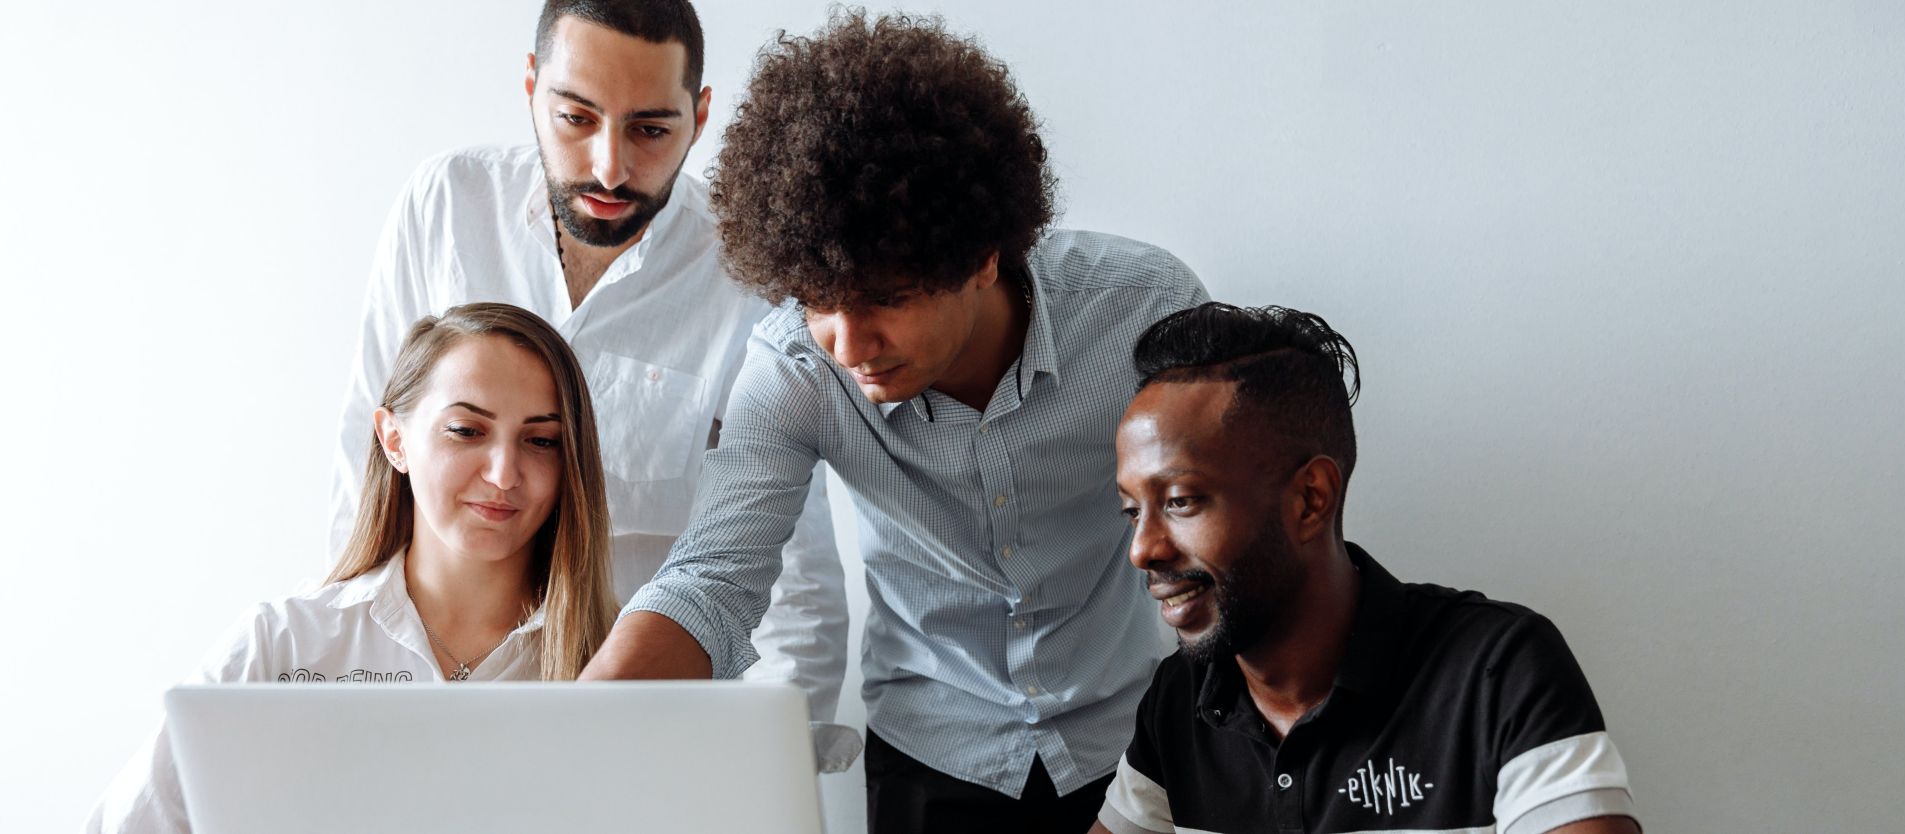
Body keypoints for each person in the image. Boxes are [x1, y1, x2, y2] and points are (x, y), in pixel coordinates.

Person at [581, 11, 1209, 833]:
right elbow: (711, 581)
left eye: (887, 299)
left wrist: (1153, 793)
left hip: (1138, 741)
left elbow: (1234, 553)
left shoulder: (1144, 313)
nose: (849, 345)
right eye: (817, 303)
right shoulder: (795, 371)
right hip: (932, 758)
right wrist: (571, 740)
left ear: (983, 256)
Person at [329, 0, 847, 722]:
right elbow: (369, 469)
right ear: (532, 87)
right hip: (435, 707)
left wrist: (772, 769)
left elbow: (791, 569)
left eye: (650, 129)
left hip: (645, 733)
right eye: (576, 118)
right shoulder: (446, 206)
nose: (610, 167)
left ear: (699, 117)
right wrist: (344, 682)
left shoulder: (747, 275)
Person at [1094, 303, 1639, 834]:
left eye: (1182, 501)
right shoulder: (1180, 697)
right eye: (1131, 510)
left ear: (1310, 499)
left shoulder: (1498, 670)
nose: (1143, 549)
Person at [90, 303, 618, 834]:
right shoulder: (280, 645)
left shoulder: (616, 661)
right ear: (394, 440)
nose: (504, 474)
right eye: (466, 430)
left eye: (542, 440)